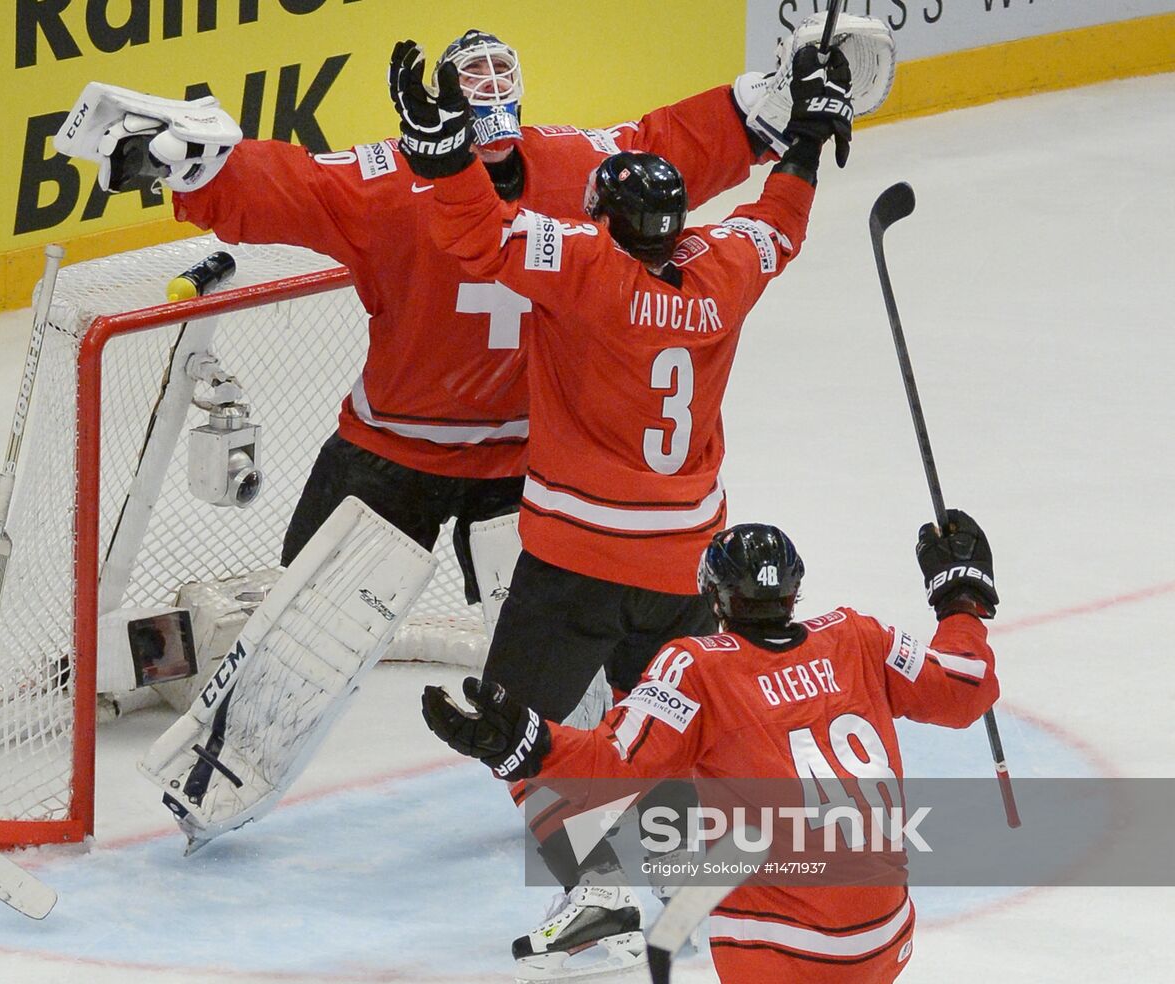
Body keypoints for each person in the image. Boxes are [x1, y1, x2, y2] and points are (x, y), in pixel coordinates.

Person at [57, 27, 818, 617]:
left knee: (330, 633)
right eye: (474, 77)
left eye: (500, 73)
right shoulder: (559, 170)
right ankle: (582, 772)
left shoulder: (429, 177)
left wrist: (770, 108)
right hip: (454, 457)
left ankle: (586, 764)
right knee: (299, 630)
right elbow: (665, 150)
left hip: (513, 464)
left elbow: (661, 148)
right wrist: (773, 116)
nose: (490, 89)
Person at [390, 37, 855, 978]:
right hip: (690, 565)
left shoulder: (585, 270)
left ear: (606, 220)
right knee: (686, 729)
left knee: (513, 727)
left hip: (576, 563)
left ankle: (598, 898)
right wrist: (806, 136)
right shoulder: (723, 266)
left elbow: (478, 231)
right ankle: (719, 874)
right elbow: (780, 221)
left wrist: (439, 151)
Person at [423, 511, 1002, 983]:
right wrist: (962, 597)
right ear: (795, 590)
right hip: (887, 935)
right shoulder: (857, 635)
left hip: (780, 946)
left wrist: (526, 744)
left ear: (715, 598)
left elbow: (610, 770)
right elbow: (964, 688)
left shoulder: (695, 666)